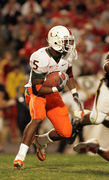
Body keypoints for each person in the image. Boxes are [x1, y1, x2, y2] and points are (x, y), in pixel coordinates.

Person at [13, 25, 83, 169]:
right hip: (35, 92)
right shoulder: (41, 57)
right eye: (65, 41)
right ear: (55, 41)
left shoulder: (67, 56)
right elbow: (37, 88)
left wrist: (74, 93)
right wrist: (55, 87)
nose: (69, 44)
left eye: (69, 41)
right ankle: (20, 156)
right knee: (38, 117)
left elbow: (69, 74)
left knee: (66, 132)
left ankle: (41, 141)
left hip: (52, 93)